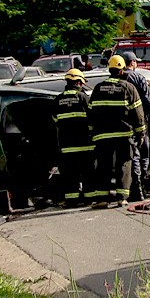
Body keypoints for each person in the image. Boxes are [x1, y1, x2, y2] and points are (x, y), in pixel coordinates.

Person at [87, 55, 146, 208]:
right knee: (124, 163)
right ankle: (122, 197)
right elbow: (138, 114)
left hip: (102, 136)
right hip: (123, 134)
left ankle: (102, 198)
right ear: (121, 71)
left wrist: (92, 132)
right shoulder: (128, 88)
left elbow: (91, 113)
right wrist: (141, 133)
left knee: (103, 165)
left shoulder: (98, 88)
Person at [52, 68, 95, 208]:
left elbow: (55, 120)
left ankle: (72, 200)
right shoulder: (83, 98)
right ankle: (89, 199)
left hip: (67, 146)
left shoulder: (58, 100)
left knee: (70, 175)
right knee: (88, 173)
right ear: (78, 82)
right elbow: (92, 119)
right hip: (85, 144)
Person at [122, 51, 150, 202]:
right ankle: (140, 186)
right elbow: (148, 100)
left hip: (121, 124)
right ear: (132, 63)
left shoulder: (115, 78)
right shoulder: (137, 77)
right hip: (139, 121)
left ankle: (129, 187)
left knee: (127, 156)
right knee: (143, 151)